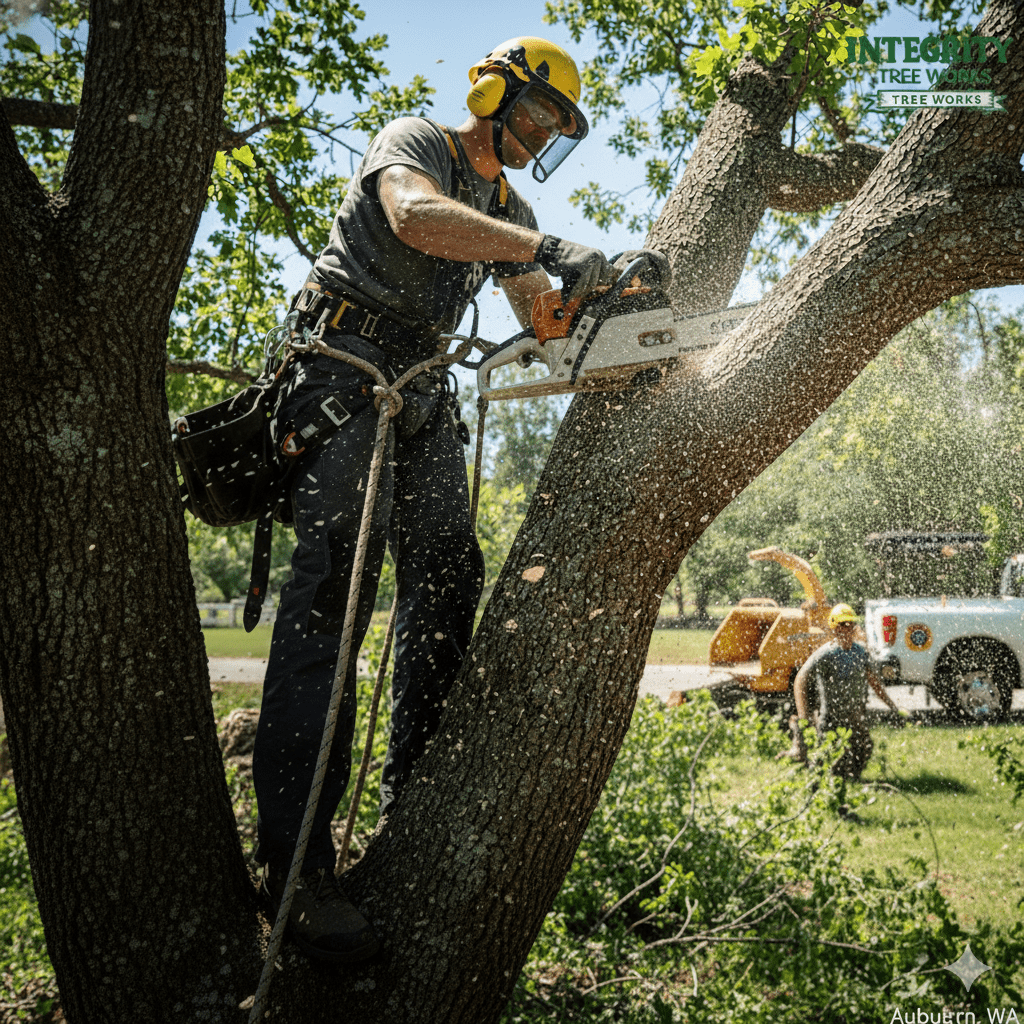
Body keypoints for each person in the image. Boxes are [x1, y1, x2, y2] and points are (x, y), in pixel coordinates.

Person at [250, 36, 646, 965]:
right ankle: (296, 873)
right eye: (541, 113)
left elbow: (539, 319)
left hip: (419, 391)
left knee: (446, 574)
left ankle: (409, 789)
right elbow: (417, 218)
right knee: (330, 599)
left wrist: (602, 307)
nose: (543, 133)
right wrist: (548, 246)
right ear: (492, 91)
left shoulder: (510, 206)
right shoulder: (418, 143)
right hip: (342, 373)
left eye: (558, 127)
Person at [790, 604, 905, 795]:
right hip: (832, 718)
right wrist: (804, 715)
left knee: (864, 748)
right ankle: (816, 789)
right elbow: (800, 679)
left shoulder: (860, 653)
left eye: (850, 624)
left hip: (855, 715)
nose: (846, 628)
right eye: (842, 624)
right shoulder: (826, 654)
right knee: (829, 757)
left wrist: (892, 706)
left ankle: (853, 781)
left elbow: (875, 682)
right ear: (834, 628)